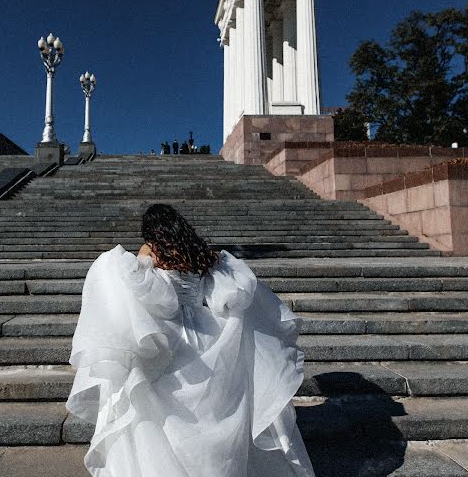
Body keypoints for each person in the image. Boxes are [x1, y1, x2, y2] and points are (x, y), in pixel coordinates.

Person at [66, 203, 314, 477]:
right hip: (208, 335)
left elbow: (156, 298)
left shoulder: (151, 251)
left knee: (161, 412)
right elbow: (230, 294)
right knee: (213, 410)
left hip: (171, 336)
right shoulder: (203, 253)